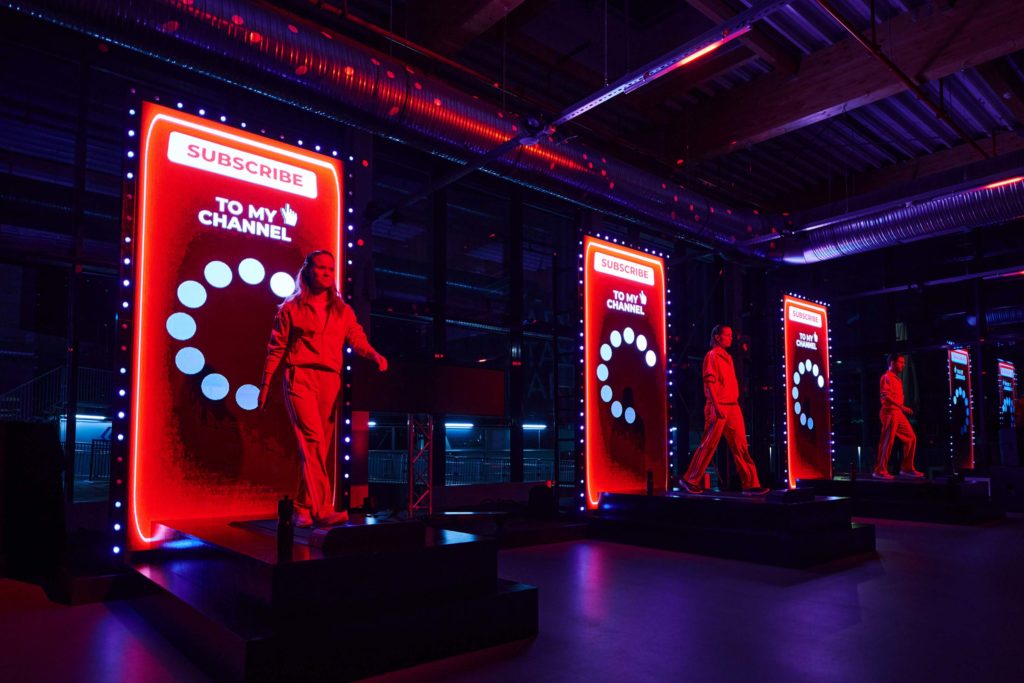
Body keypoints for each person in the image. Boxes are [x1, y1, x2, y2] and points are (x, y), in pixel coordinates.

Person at [259, 250, 388, 528]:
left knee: (318, 448)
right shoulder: (291, 308)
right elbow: (276, 347)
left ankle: (302, 507)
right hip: (300, 376)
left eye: (330, 269)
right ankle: (323, 509)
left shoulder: (343, 310)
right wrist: (266, 383)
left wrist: (373, 354)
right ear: (308, 270)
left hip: (330, 380)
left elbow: (356, 338)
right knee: (313, 441)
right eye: (320, 268)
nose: (326, 273)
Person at [679, 325, 769, 495]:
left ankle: (751, 483)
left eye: (730, 335)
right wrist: (716, 405)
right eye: (727, 335)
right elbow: (709, 383)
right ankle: (689, 479)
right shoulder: (712, 356)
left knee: (741, 446)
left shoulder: (727, 357)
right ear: (717, 337)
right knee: (709, 444)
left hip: (732, 406)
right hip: (718, 405)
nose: (730, 338)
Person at [873, 353, 922, 479]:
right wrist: (902, 406)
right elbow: (886, 396)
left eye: (903, 363)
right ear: (892, 363)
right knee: (887, 441)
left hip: (897, 412)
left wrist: (901, 407)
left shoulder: (898, 379)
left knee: (911, 438)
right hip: (889, 412)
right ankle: (880, 470)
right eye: (901, 362)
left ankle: (907, 468)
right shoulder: (886, 377)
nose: (903, 365)